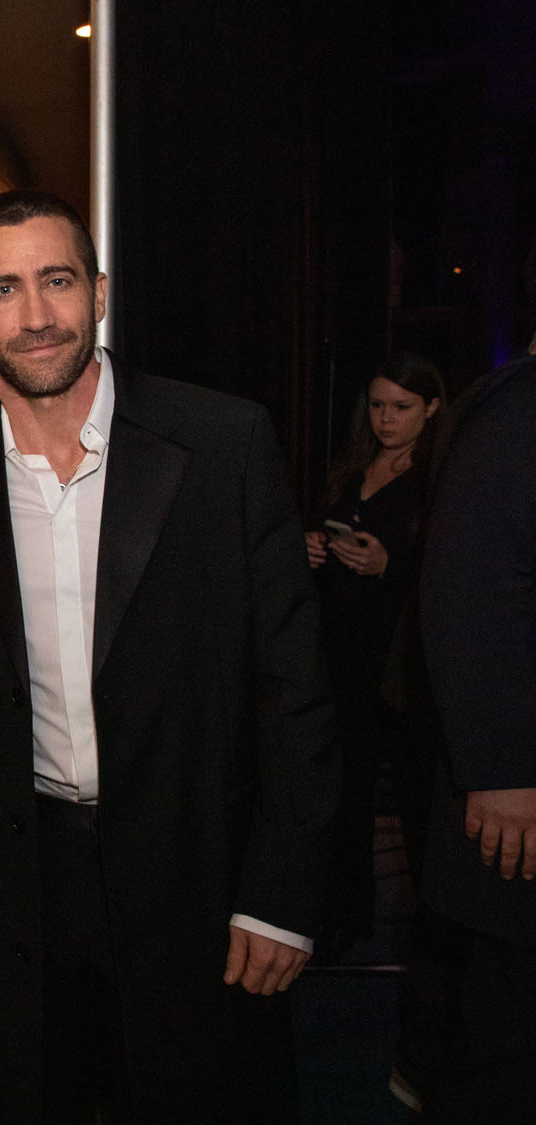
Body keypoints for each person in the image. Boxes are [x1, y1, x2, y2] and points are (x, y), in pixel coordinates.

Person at [0, 189, 338, 1122]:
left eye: (57, 280)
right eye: (5, 289)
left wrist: (281, 892)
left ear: (98, 292)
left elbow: (293, 685)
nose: (36, 314)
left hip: (200, 878)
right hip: (21, 894)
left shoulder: (222, 443)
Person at [416, 352, 536, 1122]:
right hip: (520, 805)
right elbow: (468, 590)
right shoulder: (517, 415)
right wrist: (502, 771)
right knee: (511, 1047)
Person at [305, 353, 443, 947]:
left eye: (401, 407)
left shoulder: (437, 477)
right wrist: (312, 548)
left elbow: (450, 575)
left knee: (418, 796)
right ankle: (344, 920)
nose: (386, 419)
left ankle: (438, 937)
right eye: (378, 405)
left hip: (399, 661)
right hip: (341, 654)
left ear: (431, 409)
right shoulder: (352, 469)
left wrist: (390, 565)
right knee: (345, 794)